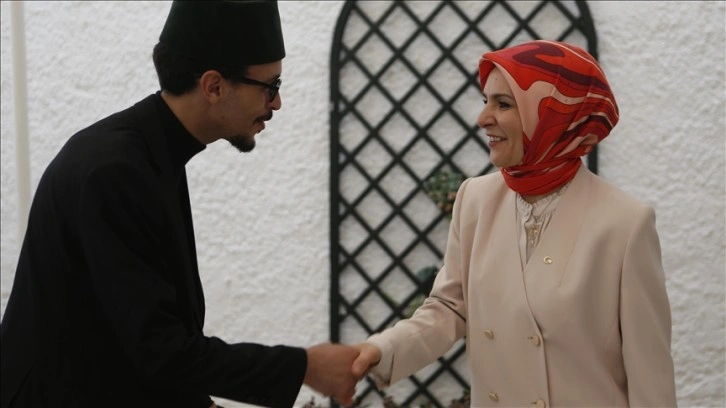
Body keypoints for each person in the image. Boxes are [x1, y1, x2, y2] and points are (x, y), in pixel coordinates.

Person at [0, 2, 359, 407]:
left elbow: (141, 335)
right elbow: (159, 350)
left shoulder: (149, 152)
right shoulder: (115, 170)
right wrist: (305, 367)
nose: (276, 104)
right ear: (213, 86)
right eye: (270, 86)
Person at [350, 40, 677, 407]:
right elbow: (450, 308)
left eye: (503, 104)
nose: (482, 118)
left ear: (553, 115)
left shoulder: (625, 224)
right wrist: (379, 350)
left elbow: (650, 376)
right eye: (485, 101)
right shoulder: (475, 199)